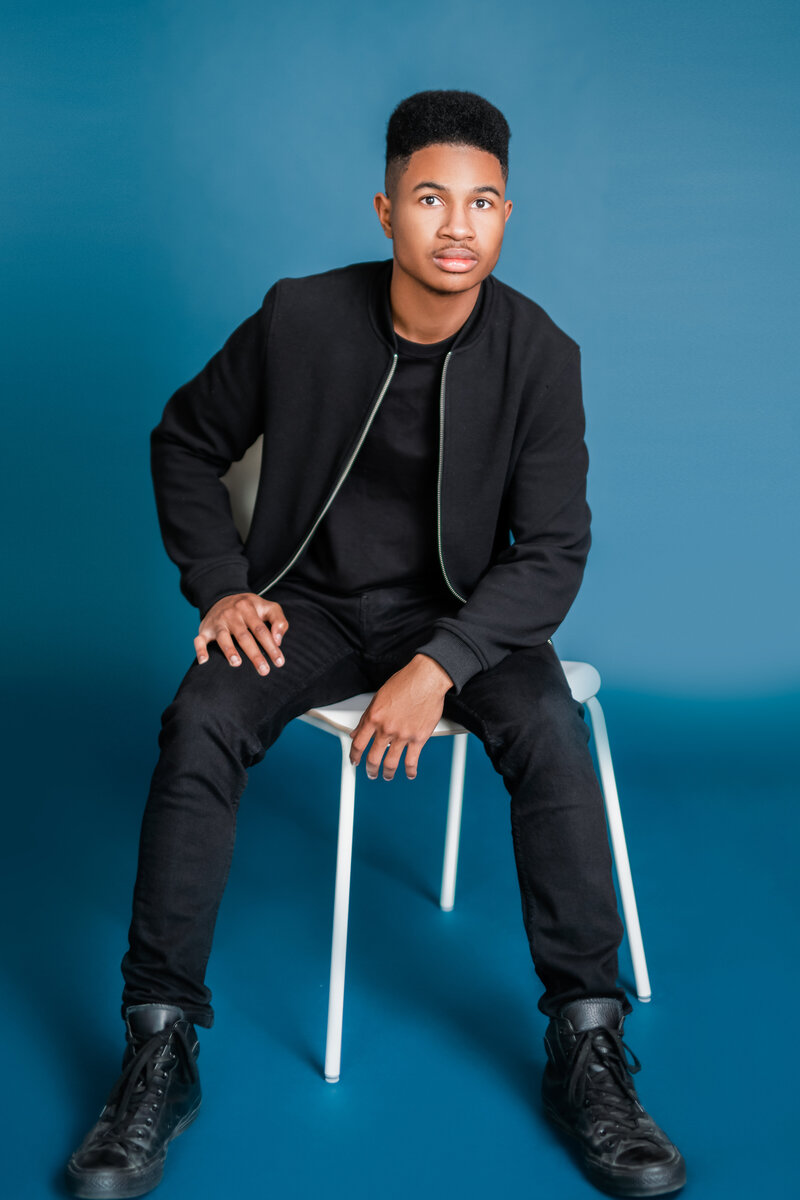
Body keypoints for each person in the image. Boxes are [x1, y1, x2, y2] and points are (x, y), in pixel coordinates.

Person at [65, 90, 686, 1199]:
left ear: (506, 215)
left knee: (546, 722)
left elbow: (549, 550)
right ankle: (159, 1045)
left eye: (483, 201)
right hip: (304, 607)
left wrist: (438, 666)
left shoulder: (539, 354)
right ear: (385, 210)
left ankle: (587, 1045)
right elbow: (183, 442)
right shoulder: (298, 317)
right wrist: (219, 586)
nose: (458, 224)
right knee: (201, 718)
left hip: (458, 617)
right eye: (431, 198)